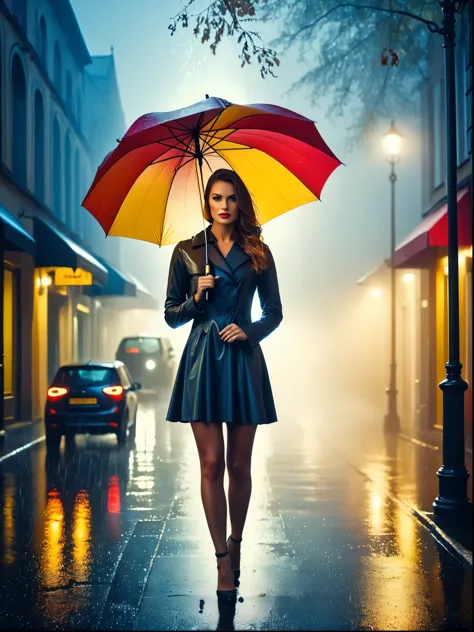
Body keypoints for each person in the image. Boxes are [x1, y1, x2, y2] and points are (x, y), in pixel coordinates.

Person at [164, 168, 283, 602]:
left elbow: (274, 311)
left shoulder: (259, 252)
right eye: (216, 198)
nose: (224, 205)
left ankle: (236, 542)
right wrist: (196, 298)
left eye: (231, 198)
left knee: (239, 467)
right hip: (202, 362)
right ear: (207, 202)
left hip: (242, 359)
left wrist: (248, 331)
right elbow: (170, 314)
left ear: (240, 203)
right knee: (211, 464)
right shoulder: (186, 251)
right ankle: (221, 561)